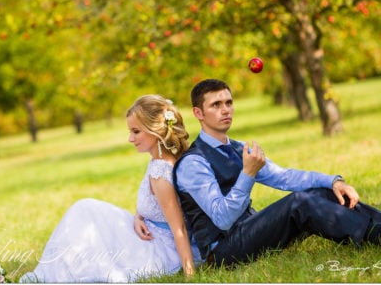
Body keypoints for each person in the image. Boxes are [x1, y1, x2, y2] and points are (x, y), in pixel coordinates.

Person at [174, 78, 381, 267]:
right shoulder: (194, 162)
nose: (225, 110)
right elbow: (222, 219)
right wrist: (247, 174)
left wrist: (333, 181)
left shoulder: (237, 148)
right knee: (298, 202)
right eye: (216, 105)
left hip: (248, 230)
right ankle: (374, 236)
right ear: (198, 113)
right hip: (223, 251)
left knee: (322, 192)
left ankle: (377, 227)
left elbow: (284, 177)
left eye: (228, 103)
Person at [20, 95, 201, 283]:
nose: (131, 138)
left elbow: (178, 227)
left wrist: (190, 273)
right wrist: (139, 217)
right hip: (147, 229)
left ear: (155, 130)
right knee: (86, 209)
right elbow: (156, 205)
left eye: (136, 131)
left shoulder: (161, 172)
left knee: (88, 221)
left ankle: (53, 275)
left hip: (159, 249)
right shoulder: (157, 160)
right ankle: (53, 271)